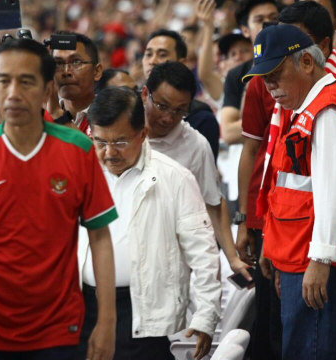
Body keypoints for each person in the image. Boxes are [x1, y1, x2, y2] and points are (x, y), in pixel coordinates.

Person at [0, 37, 118, 360]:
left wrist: (107, 322)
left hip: (57, 330)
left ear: (46, 90)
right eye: (4, 81)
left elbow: (100, 237)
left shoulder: (79, 150)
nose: (13, 93)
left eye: (26, 81)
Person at [244, 24, 336, 359]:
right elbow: (290, 192)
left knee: (315, 350)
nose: (269, 86)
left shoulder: (328, 110)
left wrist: (320, 259)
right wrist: (279, 255)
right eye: (264, 77)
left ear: (306, 63)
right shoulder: (303, 107)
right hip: (300, 257)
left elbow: (334, 193)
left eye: (275, 73)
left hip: (324, 264)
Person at [78, 86, 221, 360]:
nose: (109, 153)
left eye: (120, 142)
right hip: (84, 307)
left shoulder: (174, 178)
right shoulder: (80, 173)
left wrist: (206, 316)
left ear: (142, 134)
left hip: (140, 309)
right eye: (100, 142)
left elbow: (203, 253)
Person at [142, 61, 251, 281]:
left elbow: (213, 202)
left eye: (179, 111)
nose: (168, 118)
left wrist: (232, 258)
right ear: (145, 94)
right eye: (162, 106)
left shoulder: (195, 145)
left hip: (169, 263)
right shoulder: (123, 132)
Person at [142, 28, 220, 160]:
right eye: (148, 54)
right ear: (144, 95)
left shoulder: (201, 119)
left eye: (162, 55)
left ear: (182, 62)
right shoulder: (128, 110)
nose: (152, 61)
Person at [221, 0, 278, 145]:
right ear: (245, 30)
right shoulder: (236, 75)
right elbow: (228, 133)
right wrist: (277, 116)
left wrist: (254, 122)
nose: (267, 24)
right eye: (259, 20)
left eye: (273, 18)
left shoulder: (295, 60)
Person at [51, 31, 103, 134]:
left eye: (76, 62)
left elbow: (92, 150)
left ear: (97, 71)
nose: (66, 72)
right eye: (58, 63)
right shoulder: (40, 118)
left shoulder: (111, 114)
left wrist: (59, 117)